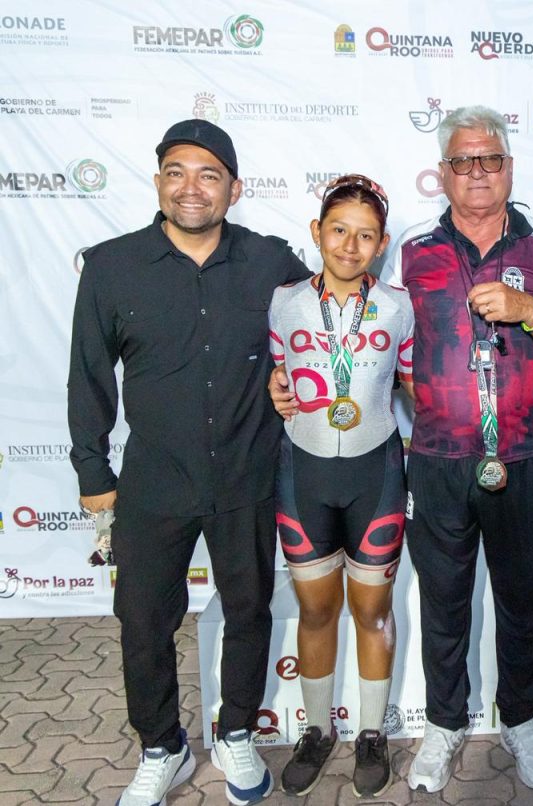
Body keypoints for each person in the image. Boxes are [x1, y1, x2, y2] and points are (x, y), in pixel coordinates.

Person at [67, 119, 310, 806]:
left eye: (208, 174)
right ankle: (162, 746)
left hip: (246, 477)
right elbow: (89, 375)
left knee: (249, 611)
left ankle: (237, 733)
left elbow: (322, 330)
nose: (191, 187)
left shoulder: (271, 261)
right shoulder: (112, 266)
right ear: (157, 183)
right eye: (176, 172)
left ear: (234, 188)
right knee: (144, 620)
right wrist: (92, 473)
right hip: (154, 482)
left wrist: (288, 380)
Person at [385, 104, 533, 793]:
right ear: (442, 173)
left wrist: (532, 312)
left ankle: (522, 721)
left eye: (490, 159)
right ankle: (444, 725)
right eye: (463, 160)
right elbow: (386, 347)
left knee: (524, 603)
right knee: (444, 603)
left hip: (526, 457)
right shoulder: (410, 248)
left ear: (509, 168)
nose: (478, 171)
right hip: (437, 460)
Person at [269, 174, 413, 798]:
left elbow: (415, 385)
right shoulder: (284, 302)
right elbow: (278, 372)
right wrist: (276, 386)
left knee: (372, 611)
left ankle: (372, 734)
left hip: (374, 473)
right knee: (316, 609)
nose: (350, 246)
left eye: (366, 236)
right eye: (338, 230)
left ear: (382, 244)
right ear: (316, 232)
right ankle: (318, 730)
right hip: (302, 473)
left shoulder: (399, 306)